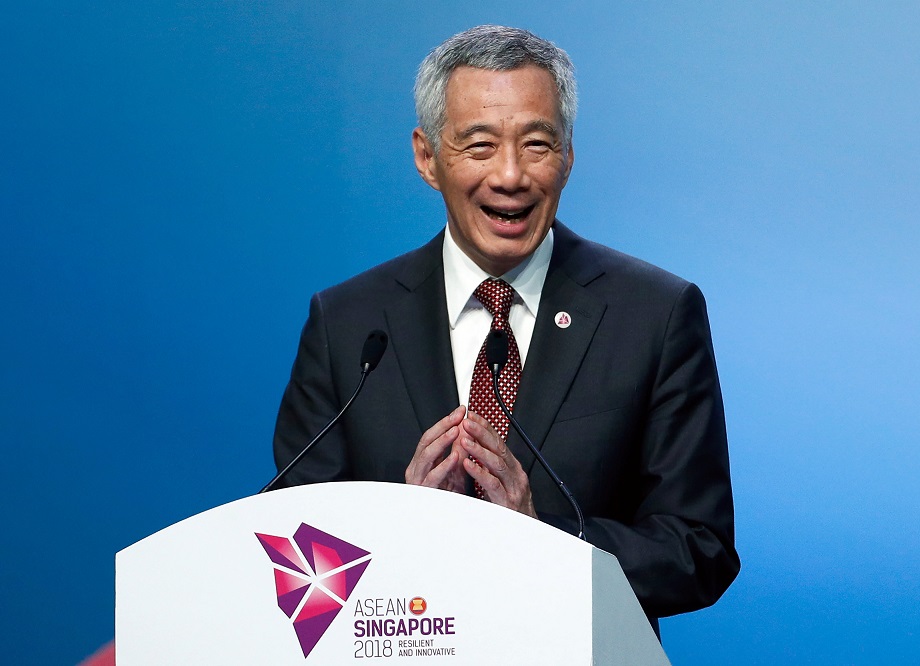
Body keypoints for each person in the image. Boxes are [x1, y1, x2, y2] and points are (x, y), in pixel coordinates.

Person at [273, 25, 739, 631]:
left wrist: (543, 536)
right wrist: (402, 527)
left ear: (568, 157)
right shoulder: (349, 324)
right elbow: (292, 555)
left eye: (537, 145)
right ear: (427, 158)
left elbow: (698, 550)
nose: (511, 176)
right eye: (480, 146)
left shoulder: (654, 313)